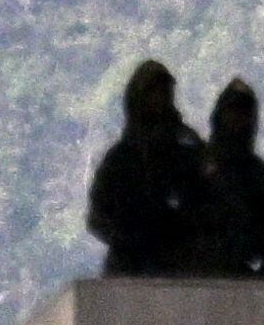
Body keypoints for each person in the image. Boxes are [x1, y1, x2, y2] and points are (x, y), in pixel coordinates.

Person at [86, 60, 209, 277]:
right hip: (129, 269)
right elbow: (97, 217)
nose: (158, 99)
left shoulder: (188, 146)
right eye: (152, 92)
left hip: (181, 267)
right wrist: (128, 239)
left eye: (163, 91)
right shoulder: (121, 158)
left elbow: (210, 201)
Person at [204, 79, 264, 282]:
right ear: (219, 115)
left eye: (243, 113)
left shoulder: (262, 176)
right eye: (231, 112)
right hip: (197, 280)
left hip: (247, 284)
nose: (237, 120)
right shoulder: (195, 167)